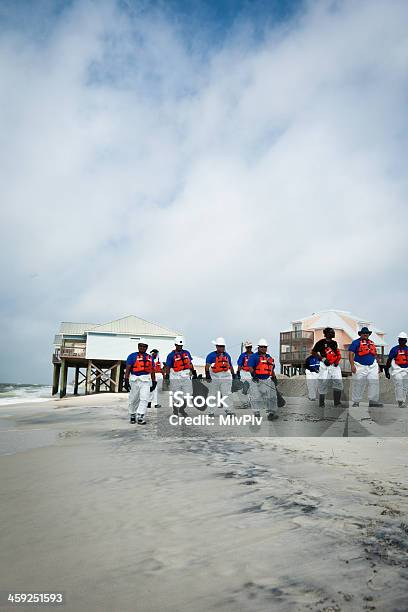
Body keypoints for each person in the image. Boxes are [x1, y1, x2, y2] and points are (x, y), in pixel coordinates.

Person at [348, 326, 383, 407]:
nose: (365, 334)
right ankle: (356, 401)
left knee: (374, 383)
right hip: (360, 366)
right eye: (364, 333)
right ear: (361, 334)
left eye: (367, 333)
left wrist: (378, 366)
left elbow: (375, 354)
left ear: (369, 334)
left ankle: (373, 401)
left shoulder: (372, 342)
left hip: (372, 365)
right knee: (358, 383)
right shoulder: (355, 342)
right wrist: (352, 365)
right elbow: (351, 354)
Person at [124, 342, 156, 424]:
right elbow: (128, 368)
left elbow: (152, 370)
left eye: (144, 346)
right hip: (135, 380)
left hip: (146, 380)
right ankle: (132, 414)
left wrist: (154, 381)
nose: (142, 348)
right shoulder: (132, 356)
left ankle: (141, 416)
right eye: (140, 346)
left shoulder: (150, 358)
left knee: (144, 398)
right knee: (134, 398)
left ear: (147, 347)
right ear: (138, 347)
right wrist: (126, 380)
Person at [312, 327, 344, 408]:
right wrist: (322, 359)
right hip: (324, 364)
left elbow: (336, 353)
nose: (333, 333)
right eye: (331, 332)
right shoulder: (320, 342)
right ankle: (321, 403)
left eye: (333, 332)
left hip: (334, 365)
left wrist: (337, 361)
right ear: (326, 334)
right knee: (323, 382)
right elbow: (313, 352)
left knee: (338, 382)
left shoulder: (334, 343)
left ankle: (337, 403)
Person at [247, 339, 278, 420]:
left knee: (271, 397)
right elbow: (250, 367)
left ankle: (271, 413)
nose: (263, 348)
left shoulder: (269, 357)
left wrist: (274, 378)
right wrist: (254, 375)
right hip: (256, 380)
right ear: (258, 347)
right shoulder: (254, 357)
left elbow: (271, 369)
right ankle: (256, 413)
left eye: (265, 347)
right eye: (262, 347)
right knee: (255, 396)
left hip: (267, 379)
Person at [165, 337, 195, 417]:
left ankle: (182, 409)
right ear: (175, 345)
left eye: (181, 345)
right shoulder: (171, 355)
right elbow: (168, 367)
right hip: (175, 376)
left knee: (188, 394)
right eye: (178, 345)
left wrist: (193, 371)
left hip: (186, 375)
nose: (180, 347)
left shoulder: (187, 353)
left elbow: (190, 363)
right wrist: (167, 377)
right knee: (176, 395)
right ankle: (175, 409)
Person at [205, 337, 235, 416]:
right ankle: (211, 411)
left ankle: (228, 410)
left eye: (223, 346)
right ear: (216, 346)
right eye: (220, 346)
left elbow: (230, 366)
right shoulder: (211, 355)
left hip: (226, 376)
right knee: (213, 394)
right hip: (214, 376)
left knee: (227, 393)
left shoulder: (227, 356)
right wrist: (207, 374)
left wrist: (234, 374)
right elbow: (207, 366)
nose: (222, 348)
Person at [385, 332, 408, 407]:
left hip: (406, 370)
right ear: (398, 340)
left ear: (406, 341)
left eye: (403, 340)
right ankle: (400, 402)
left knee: (405, 386)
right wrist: (386, 371)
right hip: (397, 370)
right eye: (400, 340)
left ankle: (402, 401)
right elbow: (389, 360)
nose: (402, 341)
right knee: (399, 384)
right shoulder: (394, 349)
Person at [237, 340, 253, 404]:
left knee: (252, 388)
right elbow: (240, 365)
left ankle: (251, 402)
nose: (249, 348)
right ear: (245, 347)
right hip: (244, 373)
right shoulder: (242, 355)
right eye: (247, 347)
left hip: (252, 373)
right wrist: (238, 373)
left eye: (250, 347)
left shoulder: (254, 355)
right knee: (243, 388)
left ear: (251, 347)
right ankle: (245, 402)